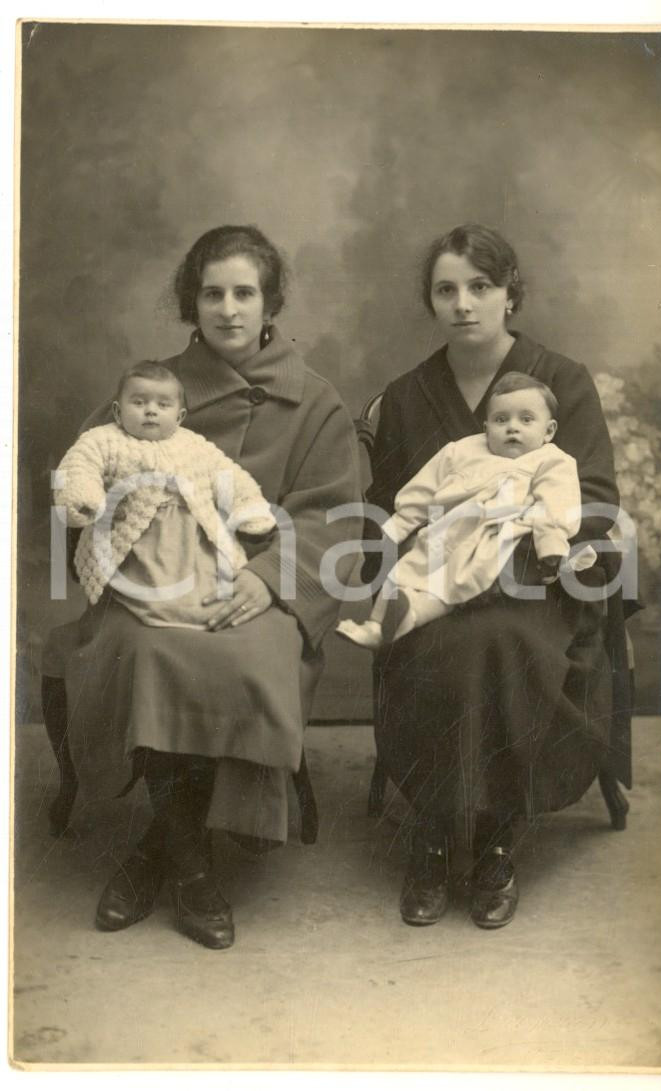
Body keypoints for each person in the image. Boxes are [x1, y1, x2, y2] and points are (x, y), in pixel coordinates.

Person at [41, 224, 361, 950]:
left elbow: (336, 518)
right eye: (211, 293)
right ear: (193, 302)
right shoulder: (151, 392)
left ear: (270, 300)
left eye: (244, 292)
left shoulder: (315, 400)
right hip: (148, 587)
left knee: (245, 658)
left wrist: (269, 577)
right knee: (147, 651)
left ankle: (156, 848)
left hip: (262, 586)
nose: (227, 308)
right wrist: (118, 545)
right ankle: (190, 864)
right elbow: (82, 475)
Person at [364, 223, 632, 930]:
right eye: (446, 289)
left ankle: (496, 838)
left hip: (538, 585)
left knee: (505, 645)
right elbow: (391, 501)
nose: (464, 303)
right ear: (430, 301)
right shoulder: (409, 393)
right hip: (443, 579)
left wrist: (530, 556)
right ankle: (432, 828)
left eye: (481, 286)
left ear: (511, 294)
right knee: (439, 645)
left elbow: (596, 497)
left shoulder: (562, 380)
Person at [336, 372, 596, 649]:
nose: (512, 428)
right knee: (405, 571)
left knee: (470, 578)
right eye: (501, 419)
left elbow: (554, 504)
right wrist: (396, 528)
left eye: (526, 419)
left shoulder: (552, 460)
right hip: (448, 531)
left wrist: (550, 546)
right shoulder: (461, 451)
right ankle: (377, 626)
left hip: (506, 537)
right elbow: (422, 491)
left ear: (549, 430)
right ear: (486, 427)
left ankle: (411, 615)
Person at [54, 361, 276, 626]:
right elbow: (79, 466)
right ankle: (162, 610)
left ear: (179, 416)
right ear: (117, 410)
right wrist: (85, 498)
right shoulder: (103, 440)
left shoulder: (193, 445)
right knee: (152, 594)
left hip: (191, 539)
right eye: (139, 403)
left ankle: (197, 607)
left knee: (209, 583)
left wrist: (249, 507)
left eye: (163, 405)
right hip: (137, 543)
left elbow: (228, 474)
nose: (150, 411)